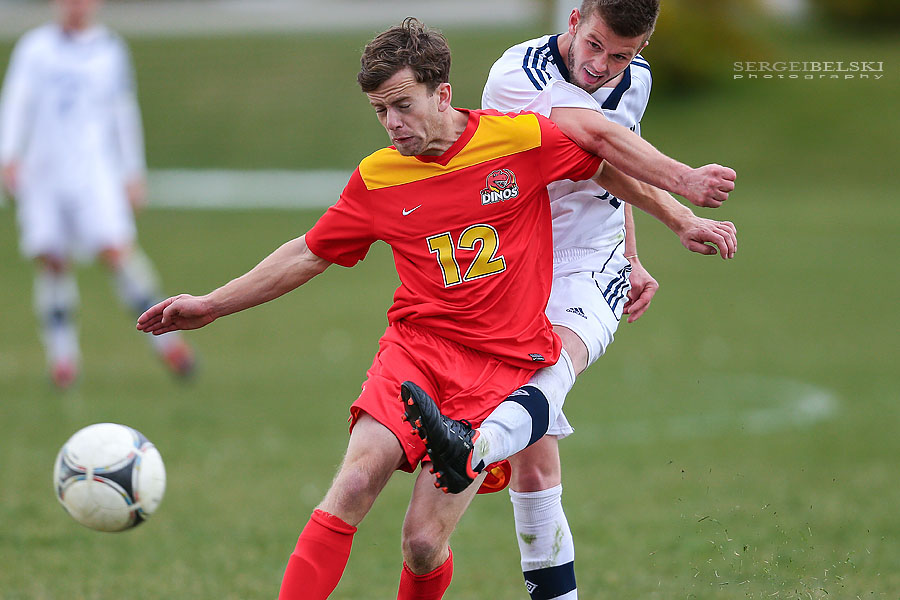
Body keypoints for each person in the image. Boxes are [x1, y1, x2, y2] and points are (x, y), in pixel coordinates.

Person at [137, 17, 733, 599]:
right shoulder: (378, 178)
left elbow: (605, 165)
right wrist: (211, 305)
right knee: (353, 484)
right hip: (415, 356)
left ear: (443, 93)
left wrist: (676, 221)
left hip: (499, 372)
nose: (392, 125)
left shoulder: (518, 139)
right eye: (380, 111)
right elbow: (308, 253)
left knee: (422, 543)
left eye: (403, 105)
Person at [400, 2, 737, 599]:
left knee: (553, 367)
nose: (603, 66)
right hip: (518, 267)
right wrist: (682, 194)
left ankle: (473, 447)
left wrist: (632, 255)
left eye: (623, 56)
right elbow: (594, 148)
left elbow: (616, 161)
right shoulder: (517, 74)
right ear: (577, 19)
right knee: (535, 460)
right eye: (596, 45)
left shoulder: (637, 81)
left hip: (593, 263)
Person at [0, 0, 194, 388]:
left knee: (117, 252)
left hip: (94, 172)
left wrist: (132, 171)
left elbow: (122, 112)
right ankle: (63, 359)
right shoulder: (35, 48)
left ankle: (170, 345)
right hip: (44, 172)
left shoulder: (109, 50)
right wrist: (8, 155)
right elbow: (16, 102)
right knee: (52, 258)